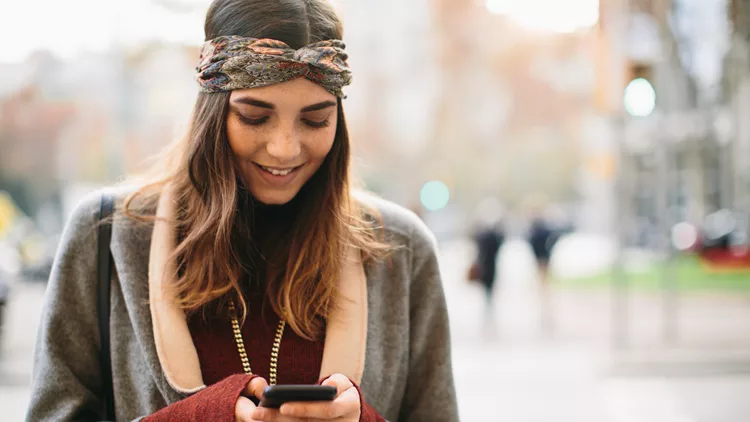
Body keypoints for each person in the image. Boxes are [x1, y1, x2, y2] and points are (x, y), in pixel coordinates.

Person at [26, 1, 458, 421]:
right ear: (212, 113)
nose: (285, 148)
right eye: (254, 117)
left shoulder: (402, 247)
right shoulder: (104, 234)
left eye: (315, 120)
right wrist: (203, 416)